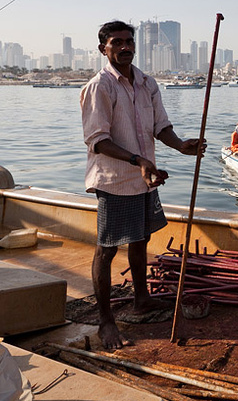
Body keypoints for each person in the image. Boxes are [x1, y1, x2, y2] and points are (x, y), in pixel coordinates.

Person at [80, 20, 205, 350]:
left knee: (140, 239)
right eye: (116, 42)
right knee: (106, 250)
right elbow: (98, 140)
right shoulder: (100, 86)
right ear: (103, 48)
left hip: (144, 179)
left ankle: (142, 299)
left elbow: (160, 126)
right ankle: (106, 322)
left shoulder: (147, 83)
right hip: (116, 179)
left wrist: (180, 146)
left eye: (129, 42)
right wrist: (139, 162)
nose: (124, 47)